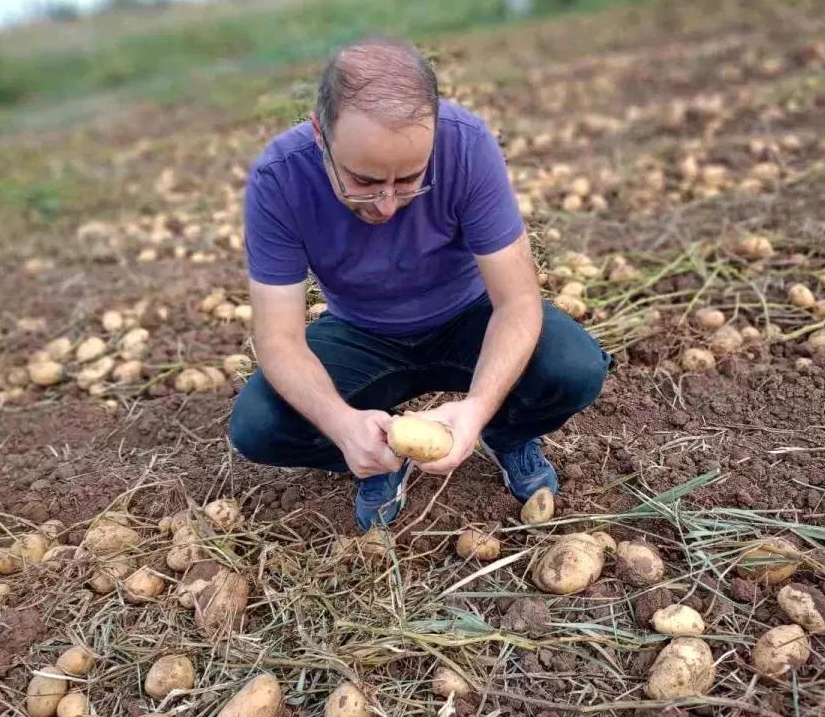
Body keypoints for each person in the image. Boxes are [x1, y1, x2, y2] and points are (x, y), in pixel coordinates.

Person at [229, 35, 610, 530]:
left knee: (573, 368)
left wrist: (476, 409)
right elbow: (278, 339)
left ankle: (507, 433)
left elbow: (517, 302)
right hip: (361, 334)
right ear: (320, 134)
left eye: (409, 179)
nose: (386, 204)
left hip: (467, 317)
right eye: (363, 181)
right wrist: (343, 426)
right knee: (259, 427)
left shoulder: (467, 144)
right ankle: (375, 457)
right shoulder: (278, 180)